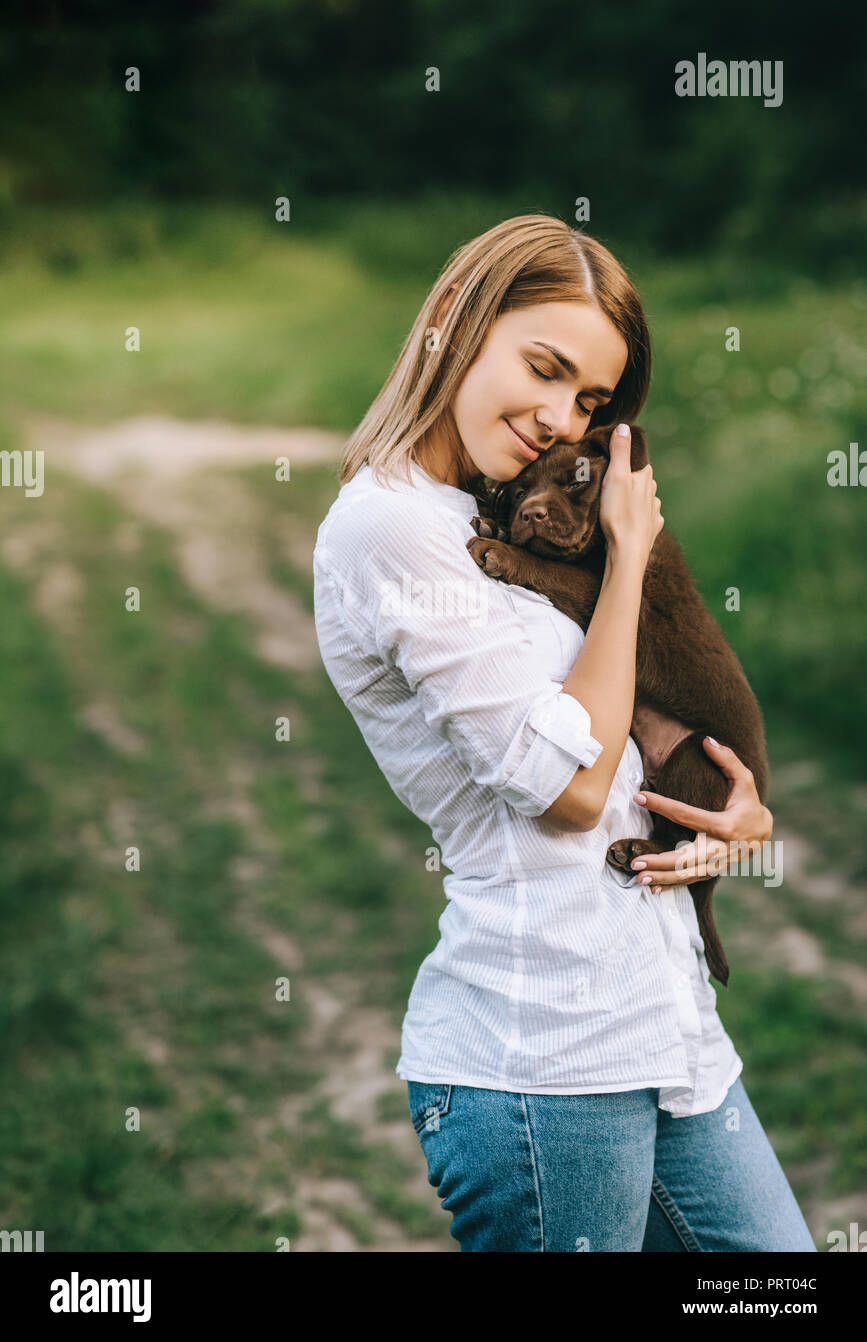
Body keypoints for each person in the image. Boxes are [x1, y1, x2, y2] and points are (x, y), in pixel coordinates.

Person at [312, 214, 816, 1252]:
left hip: (660, 1024)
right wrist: (630, 555)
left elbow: (629, 717)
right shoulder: (395, 528)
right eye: (544, 369)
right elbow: (571, 788)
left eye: (590, 400)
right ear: (456, 317)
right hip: (543, 1057)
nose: (559, 416)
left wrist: (734, 813)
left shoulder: (490, 511)